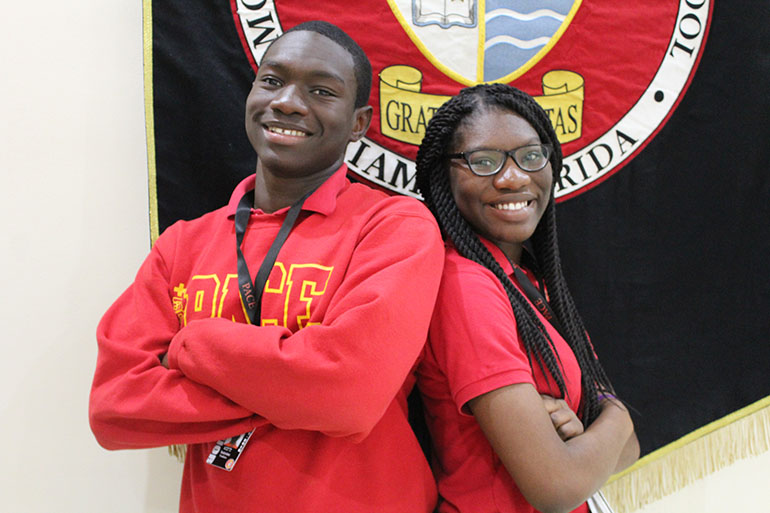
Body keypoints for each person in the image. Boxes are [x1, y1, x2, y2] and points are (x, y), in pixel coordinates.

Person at [89, 21, 444, 513]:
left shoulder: (394, 226)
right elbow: (115, 407)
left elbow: (347, 393)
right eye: (272, 81)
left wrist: (195, 345)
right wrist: (300, 386)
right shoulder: (183, 244)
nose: (288, 103)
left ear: (359, 122)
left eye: (321, 91)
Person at [414, 83, 639, 513]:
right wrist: (618, 418)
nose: (513, 176)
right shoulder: (466, 286)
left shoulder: (527, 281)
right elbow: (556, 485)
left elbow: (629, 450)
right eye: (483, 161)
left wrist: (594, 433)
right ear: (444, 176)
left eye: (531, 156)